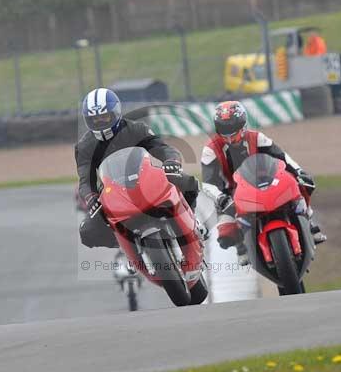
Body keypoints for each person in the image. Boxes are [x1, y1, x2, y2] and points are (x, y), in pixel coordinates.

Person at [201, 100, 326, 265]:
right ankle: (242, 247)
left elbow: (283, 158)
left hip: (267, 180)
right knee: (225, 235)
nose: (229, 133)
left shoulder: (258, 137)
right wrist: (220, 198)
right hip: (231, 194)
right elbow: (208, 182)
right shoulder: (210, 150)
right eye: (224, 128)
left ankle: (309, 221)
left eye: (233, 127)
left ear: (243, 123)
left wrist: (299, 171)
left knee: (303, 184)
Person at [76, 87, 200, 248]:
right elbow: (85, 179)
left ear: (115, 113)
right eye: (95, 119)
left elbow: (161, 147)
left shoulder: (136, 129)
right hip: (112, 190)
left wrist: (172, 161)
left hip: (146, 178)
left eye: (104, 117)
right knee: (87, 231)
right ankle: (125, 248)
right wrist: (90, 197)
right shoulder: (84, 146)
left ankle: (193, 223)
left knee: (188, 182)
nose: (100, 122)